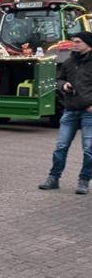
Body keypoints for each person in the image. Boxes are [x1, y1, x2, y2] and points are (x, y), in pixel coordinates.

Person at [38, 31, 92, 194]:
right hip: (69, 111)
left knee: (89, 149)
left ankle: (83, 181)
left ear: (88, 44)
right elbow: (59, 79)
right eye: (73, 41)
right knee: (61, 147)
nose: (74, 44)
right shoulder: (69, 61)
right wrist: (64, 86)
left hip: (88, 113)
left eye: (78, 41)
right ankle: (53, 178)